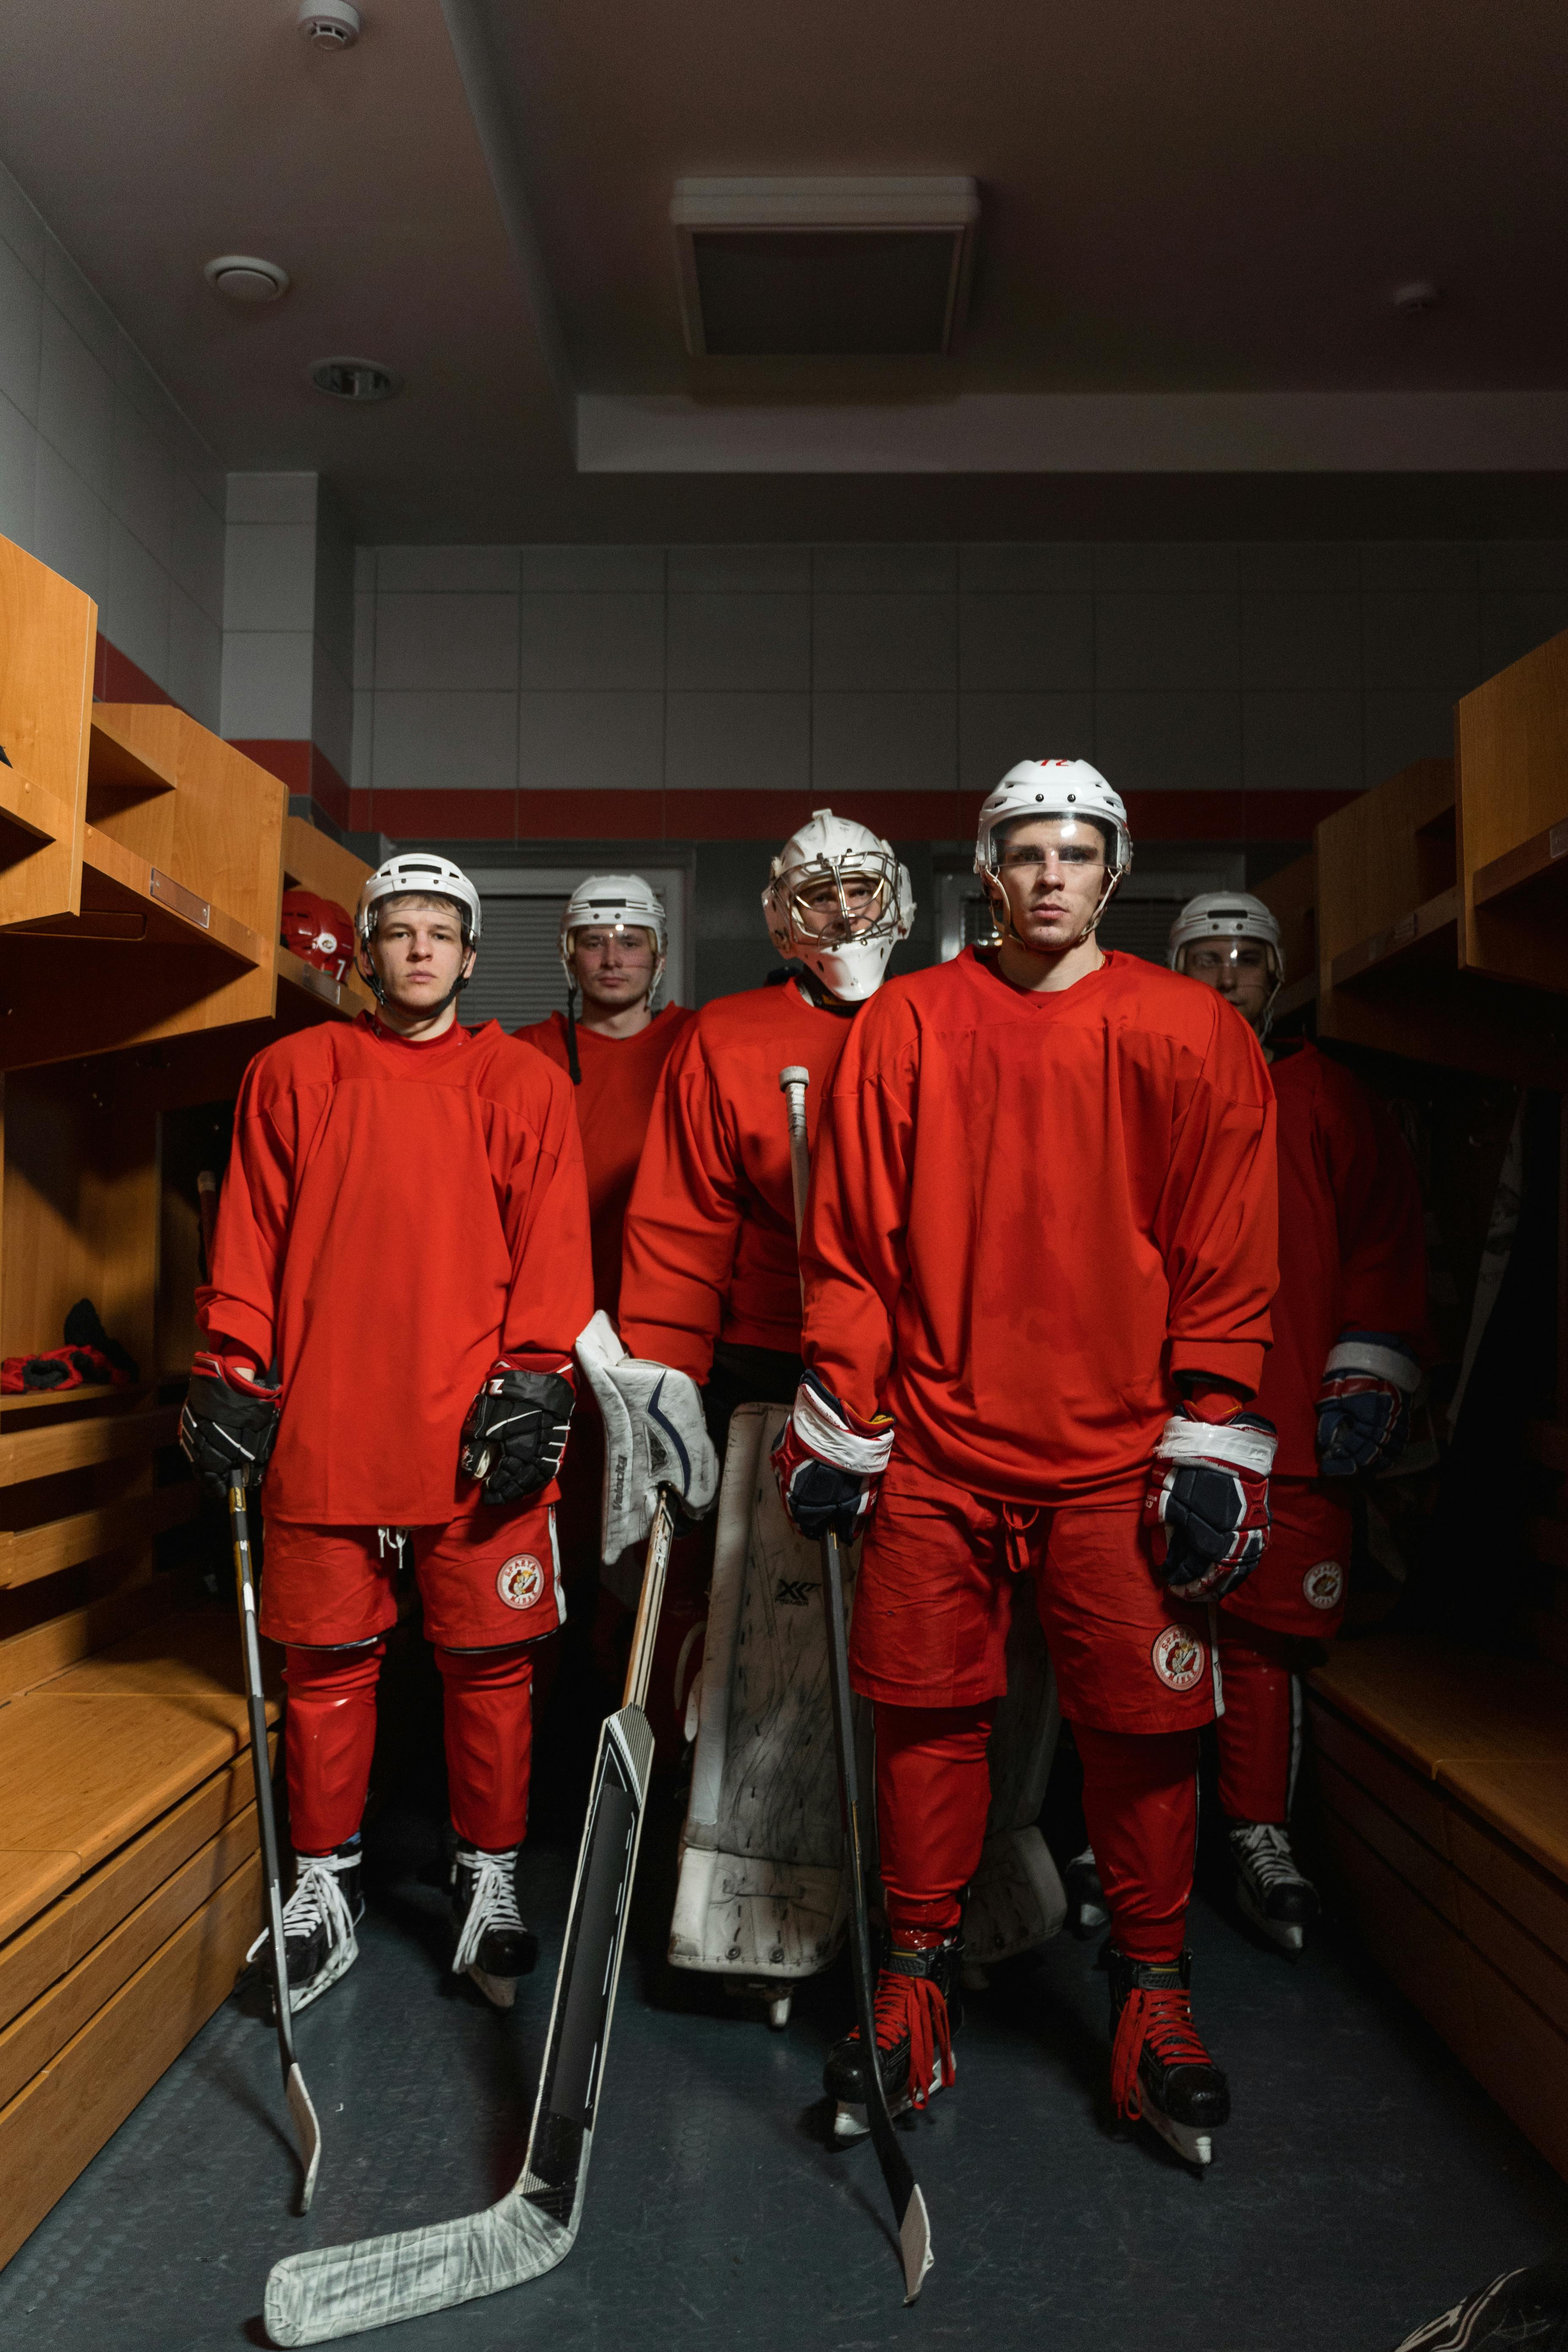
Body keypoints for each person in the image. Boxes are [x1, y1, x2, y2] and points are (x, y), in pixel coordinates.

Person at [775, 760, 1279, 2166]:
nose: (1050, 874)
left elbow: (1226, 1252)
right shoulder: (910, 1024)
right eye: (1024, 852)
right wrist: (840, 1407)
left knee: (1144, 1729)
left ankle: (1157, 1995)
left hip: (1122, 1453)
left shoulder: (1188, 1032)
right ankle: (913, 1981)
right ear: (984, 875)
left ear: (1112, 874)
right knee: (923, 1716)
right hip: (941, 1441)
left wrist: (1214, 1424)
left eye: (1076, 852)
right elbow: (854, 1249)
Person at [182, 853, 593, 2014]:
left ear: (470, 954)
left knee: (491, 1665)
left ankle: (489, 1870)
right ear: (366, 951)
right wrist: (228, 1368)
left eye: (439, 932)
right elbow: (251, 1240)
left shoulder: (522, 1084)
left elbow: (555, 1245)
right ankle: (325, 1884)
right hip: (325, 1423)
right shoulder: (291, 1070)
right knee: (323, 1668)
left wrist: (538, 1374)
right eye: (397, 931)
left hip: (472, 1430)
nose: (418, 949)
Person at [1168, 890, 1426, 1953]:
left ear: (1276, 975)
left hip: (1288, 1423)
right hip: (1166, 1415)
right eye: (1205, 958)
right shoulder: (1149, 1084)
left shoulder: (1332, 1097)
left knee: (1267, 1642)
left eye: (1244, 959)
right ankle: (1135, 1835)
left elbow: (1380, 1238)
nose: (1226, 977)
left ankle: (1257, 1832)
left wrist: (1366, 1360)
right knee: (1149, 1633)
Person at [618, 811, 914, 1447]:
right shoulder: (726, 1036)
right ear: (784, 918)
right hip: (767, 1352)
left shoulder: (944, 1022)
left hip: (918, 1352)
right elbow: (683, 1230)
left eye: (861, 889)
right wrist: (665, 1389)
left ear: (896, 897)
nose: (845, 912)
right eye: (819, 895)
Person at [514, 878, 696, 1738]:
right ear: (568, 952)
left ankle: (652, 1743)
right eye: (595, 939)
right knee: (556, 1537)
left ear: (658, 955)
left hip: (665, 1336)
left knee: (665, 1550)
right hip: (554, 1333)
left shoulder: (699, 1044)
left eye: (631, 939)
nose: (613, 954)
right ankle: (545, 1749)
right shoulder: (524, 1054)